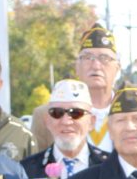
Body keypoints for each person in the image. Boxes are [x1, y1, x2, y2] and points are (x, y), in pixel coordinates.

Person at [32, 24, 122, 154]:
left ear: (117, 68)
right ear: (77, 67)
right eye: (87, 57)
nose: (96, 65)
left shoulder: (132, 116)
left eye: (104, 58)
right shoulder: (47, 115)